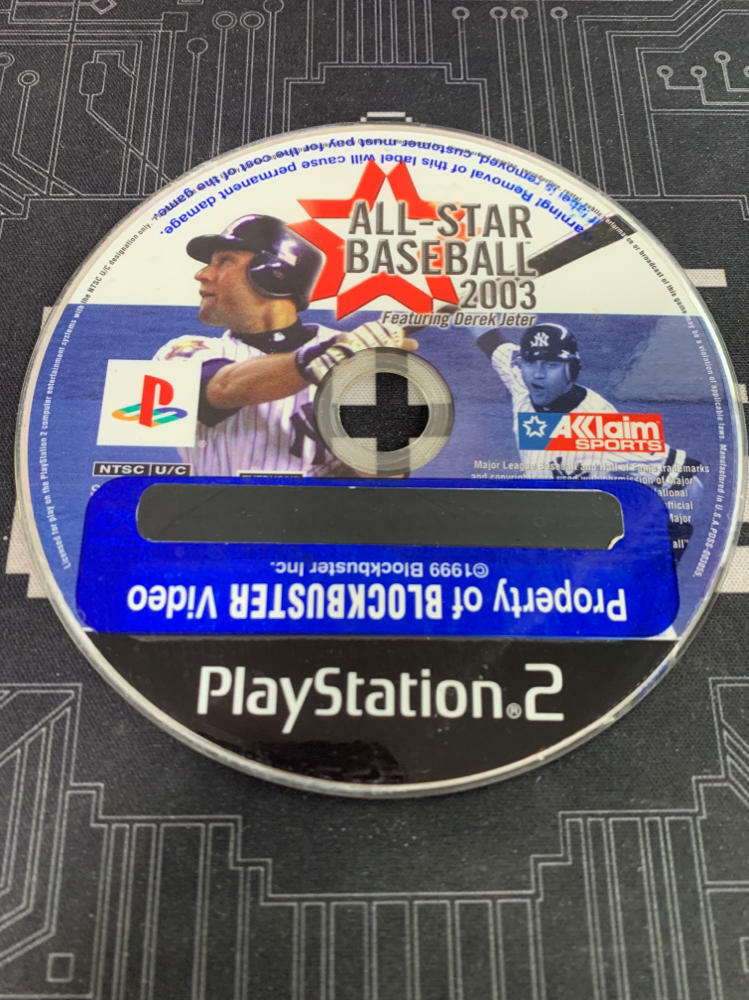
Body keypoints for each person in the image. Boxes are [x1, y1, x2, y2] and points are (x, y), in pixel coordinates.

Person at [155, 214, 414, 476]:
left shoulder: (357, 356)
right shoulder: (183, 351)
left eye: (225, 261)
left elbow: (386, 479)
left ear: (274, 273)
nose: (202, 274)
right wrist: (318, 359)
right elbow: (224, 388)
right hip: (212, 503)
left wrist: (374, 395)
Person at [474, 322, 702, 554]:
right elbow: (489, 338)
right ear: (519, 363)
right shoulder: (522, 381)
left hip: (588, 548)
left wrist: (669, 549)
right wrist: (456, 305)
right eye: (531, 362)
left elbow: (690, 482)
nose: (538, 373)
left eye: (552, 364)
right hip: (540, 530)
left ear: (571, 370)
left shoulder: (601, 426)